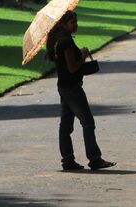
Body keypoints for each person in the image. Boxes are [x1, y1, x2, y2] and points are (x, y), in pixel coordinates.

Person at [46, 11, 116, 171]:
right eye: (72, 22)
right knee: (87, 122)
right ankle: (94, 159)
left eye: (76, 21)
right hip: (71, 87)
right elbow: (72, 68)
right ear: (63, 24)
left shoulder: (57, 41)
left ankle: (68, 161)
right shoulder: (66, 42)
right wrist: (83, 55)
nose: (75, 25)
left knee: (66, 126)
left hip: (63, 87)